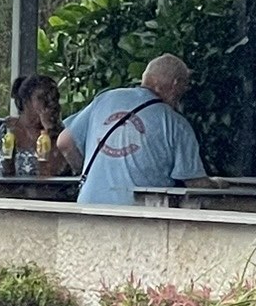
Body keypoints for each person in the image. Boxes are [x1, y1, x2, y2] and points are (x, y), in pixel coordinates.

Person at [55, 54, 206, 206]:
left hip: (90, 206)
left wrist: (89, 173)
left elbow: (64, 142)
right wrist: (217, 184)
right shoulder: (176, 124)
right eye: (185, 87)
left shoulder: (106, 99)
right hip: (139, 214)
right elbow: (195, 184)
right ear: (175, 84)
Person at [0, 74, 64, 177]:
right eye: (42, 98)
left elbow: (59, 173)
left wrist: (51, 132)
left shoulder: (61, 136)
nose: (50, 103)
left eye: (54, 98)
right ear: (26, 101)